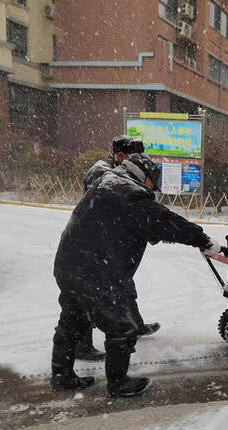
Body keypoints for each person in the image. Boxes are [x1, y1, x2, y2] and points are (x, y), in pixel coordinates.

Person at [52, 153, 220, 397]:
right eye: (152, 182)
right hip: (97, 272)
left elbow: (134, 224)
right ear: (143, 175)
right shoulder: (129, 195)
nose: (153, 188)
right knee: (123, 327)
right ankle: (118, 383)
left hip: (69, 265)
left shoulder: (107, 184)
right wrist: (203, 240)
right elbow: (166, 222)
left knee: (72, 320)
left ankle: (61, 376)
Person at [75, 137, 157, 361]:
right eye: (134, 160)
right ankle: (82, 344)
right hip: (94, 242)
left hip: (110, 240)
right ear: (121, 156)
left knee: (123, 284)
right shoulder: (102, 172)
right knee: (89, 294)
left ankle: (135, 324)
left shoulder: (119, 170)